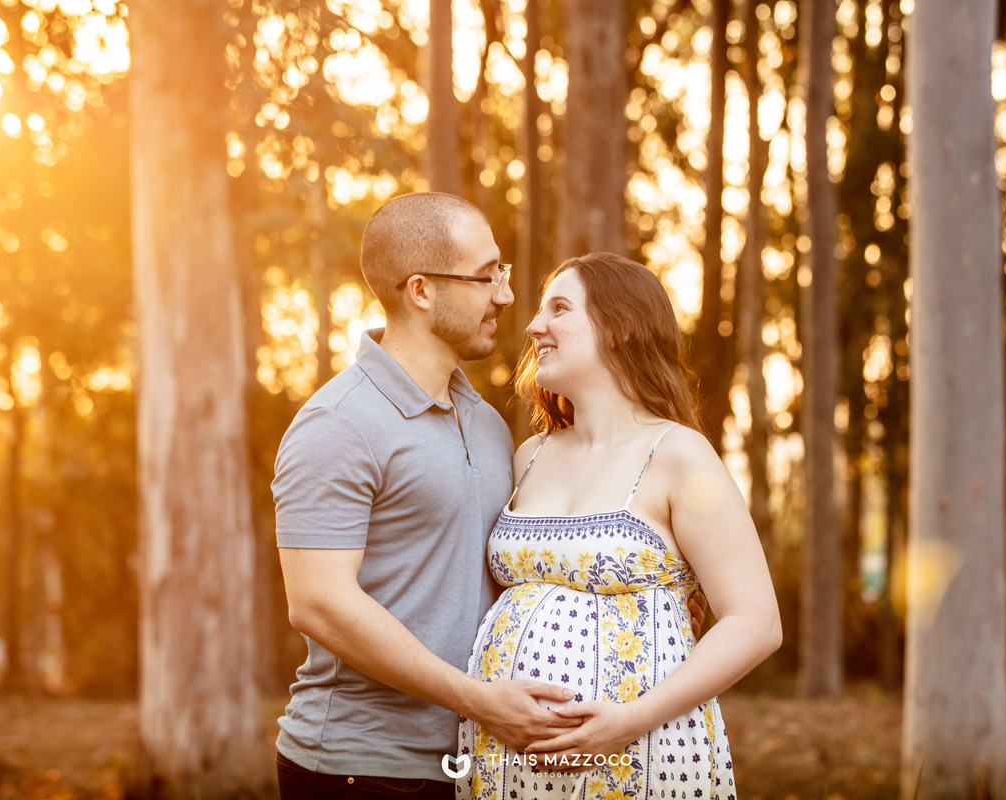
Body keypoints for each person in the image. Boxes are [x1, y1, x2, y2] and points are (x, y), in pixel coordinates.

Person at [271, 192, 583, 800]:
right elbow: (317, 602)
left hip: (471, 762)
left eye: (503, 272)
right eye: (485, 276)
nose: (505, 295)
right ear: (421, 290)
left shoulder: (487, 422)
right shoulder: (337, 423)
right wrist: (479, 700)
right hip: (357, 769)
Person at [456, 252, 782, 800]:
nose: (535, 326)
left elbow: (755, 622)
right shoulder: (529, 455)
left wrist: (626, 723)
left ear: (619, 329)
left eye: (559, 308)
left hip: (643, 752)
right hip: (504, 766)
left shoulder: (678, 454)